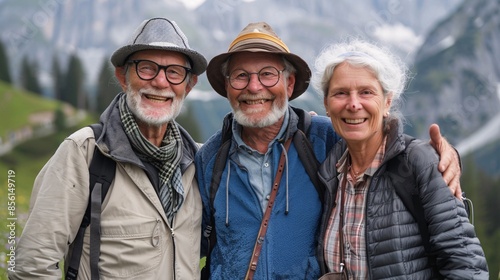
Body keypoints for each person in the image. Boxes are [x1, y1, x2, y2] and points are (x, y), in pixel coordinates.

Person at [195, 22, 462, 279]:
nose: (254, 87)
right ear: (227, 87)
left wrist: (442, 155)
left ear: (289, 85)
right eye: (241, 76)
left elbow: (385, 145)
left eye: (267, 74)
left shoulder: (325, 138)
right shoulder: (210, 158)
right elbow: (190, 240)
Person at [9, 17, 206, 279]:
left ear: (188, 85)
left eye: (174, 72)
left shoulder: (199, 162)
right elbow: (32, 267)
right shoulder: (83, 152)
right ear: (123, 77)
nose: (160, 82)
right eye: (146, 68)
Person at [313, 39, 489, 279]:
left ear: (387, 102)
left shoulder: (419, 162)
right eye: (340, 93)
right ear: (326, 103)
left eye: (366, 92)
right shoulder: (329, 168)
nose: (353, 104)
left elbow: (466, 267)